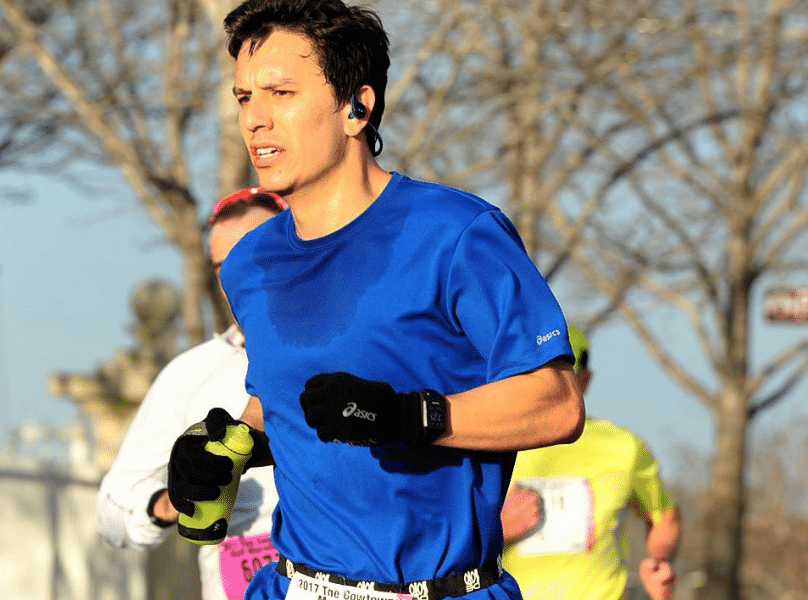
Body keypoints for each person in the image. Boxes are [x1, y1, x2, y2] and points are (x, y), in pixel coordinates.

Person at [166, 1, 586, 599]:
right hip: (292, 585)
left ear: (356, 107)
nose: (255, 119)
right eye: (243, 98)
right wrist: (227, 453)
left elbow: (557, 405)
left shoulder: (456, 233)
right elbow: (287, 402)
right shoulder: (250, 264)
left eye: (281, 93)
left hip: (436, 586)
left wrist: (408, 418)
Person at [97, 188, 287, 600]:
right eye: (223, 266)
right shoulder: (194, 372)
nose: (238, 278)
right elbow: (111, 509)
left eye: (255, 253)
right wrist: (171, 502)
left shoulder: (362, 351)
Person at [500, 324, 682, 600]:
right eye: (539, 378)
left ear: (584, 380)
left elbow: (664, 515)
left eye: (564, 379)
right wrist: (498, 530)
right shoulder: (493, 444)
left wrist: (658, 560)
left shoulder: (623, 447)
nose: (550, 391)